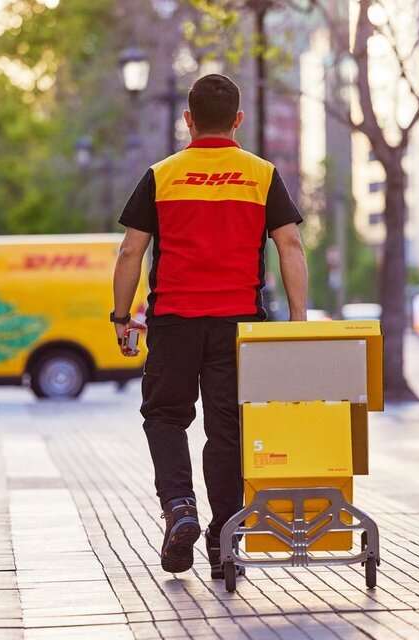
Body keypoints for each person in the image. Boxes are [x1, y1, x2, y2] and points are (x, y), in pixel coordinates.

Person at [110, 74, 307, 581]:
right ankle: (225, 540)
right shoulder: (261, 175)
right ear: (238, 120)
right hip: (238, 323)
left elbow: (131, 250)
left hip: (174, 320)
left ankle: (179, 509)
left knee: (165, 416)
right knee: (228, 430)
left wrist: (121, 314)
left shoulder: (163, 174)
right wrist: (299, 323)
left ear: (188, 120)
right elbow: (290, 247)